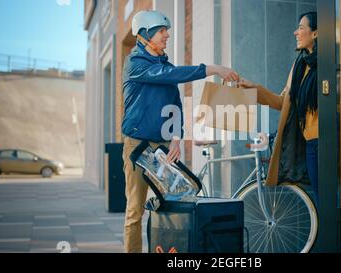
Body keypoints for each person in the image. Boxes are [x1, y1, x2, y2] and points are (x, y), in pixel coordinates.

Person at [121, 10, 239, 253]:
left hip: (163, 146)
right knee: (135, 209)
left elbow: (174, 104)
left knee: (169, 202)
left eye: (167, 31)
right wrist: (212, 69)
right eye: (162, 31)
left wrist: (176, 138)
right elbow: (169, 75)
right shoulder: (135, 63)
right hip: (137, 145)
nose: (167, 35)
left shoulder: (165, 64)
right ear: (145, 34)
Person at [239, 12, 319, 203]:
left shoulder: (328, 62)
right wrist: (253, 88)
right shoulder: (300, 65)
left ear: (315, 33)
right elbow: (283, 102)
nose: (295, 32)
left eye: (301, 28)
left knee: (325, 198)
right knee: (319, 197)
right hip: (308, 142)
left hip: (326, 139)